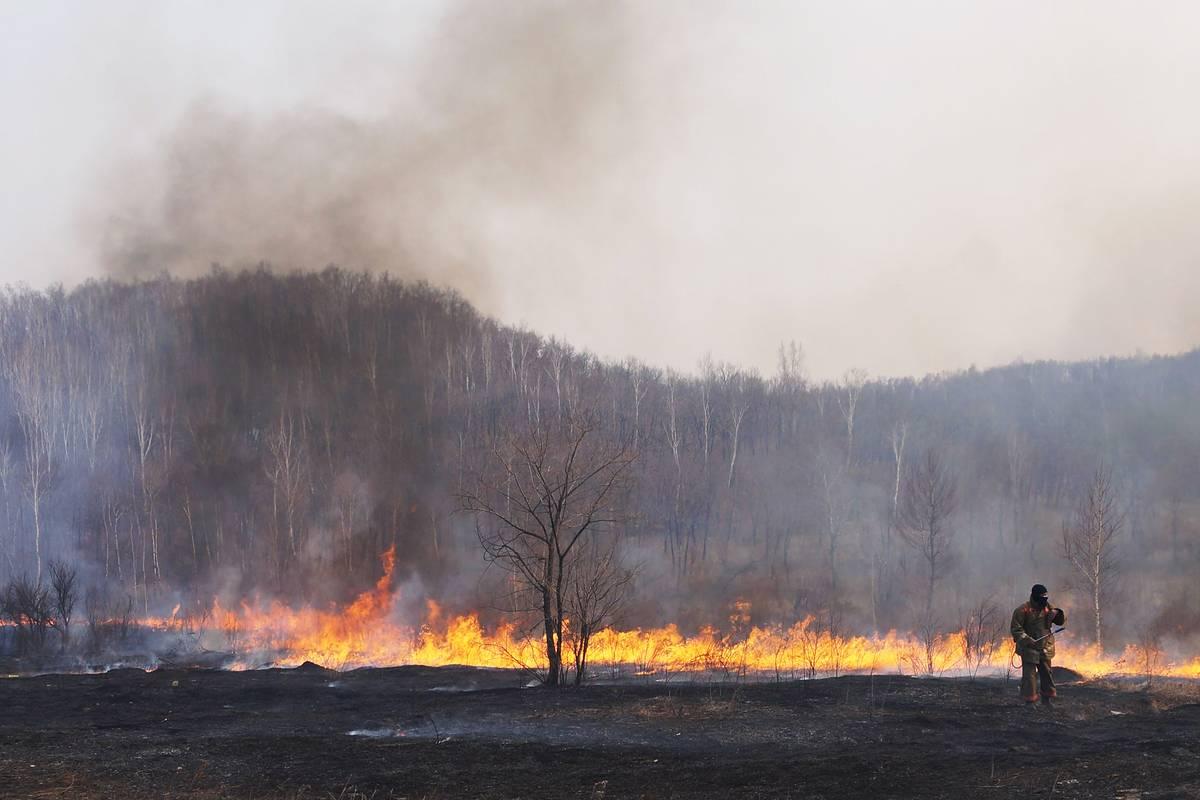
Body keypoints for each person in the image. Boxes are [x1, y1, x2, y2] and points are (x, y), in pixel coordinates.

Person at [1010, 584, 1066, 706]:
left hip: (1045, 647)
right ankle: (1030, 701)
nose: (1044, 602)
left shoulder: (1048, 607)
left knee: (1047, 674)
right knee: (1029, 677)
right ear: (1035, 597)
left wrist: (1058, 613)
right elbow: (1016, 630)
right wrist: (1027, 639)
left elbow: (1060, 621)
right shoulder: (1022, 610)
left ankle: (1047, 699)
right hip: (1029, 648)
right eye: (1041, 599)